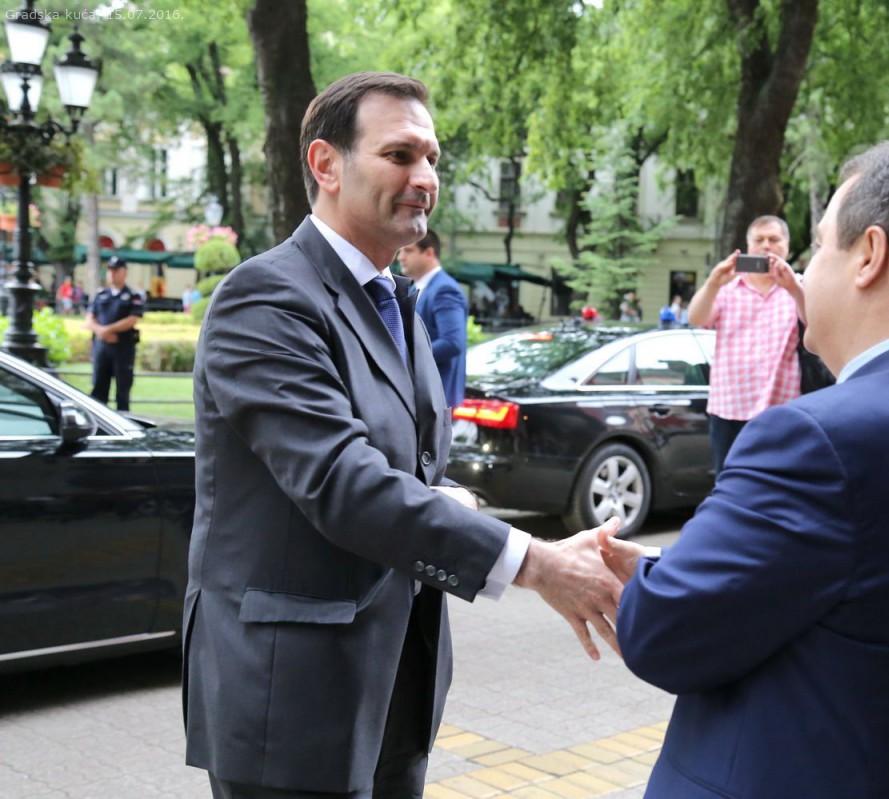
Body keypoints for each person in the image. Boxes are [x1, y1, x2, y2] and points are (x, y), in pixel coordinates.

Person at [182, 72, 623, 798]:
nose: (425, 178)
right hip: (290, 705)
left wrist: (445, 494)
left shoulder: (396, 301)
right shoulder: (265, 298)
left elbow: (396, 463)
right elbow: (340, 481)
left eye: (432, 159)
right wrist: (535, 562)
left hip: (395, 687)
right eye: (400, 155)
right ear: (326, 164)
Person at [600, 136, 889, 797]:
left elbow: (662, 635)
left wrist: (652, 579)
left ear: (869, 256)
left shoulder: (818, 438)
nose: (806, 269)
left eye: (818, 246)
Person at [687, 214, 803, 474]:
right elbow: (696, 318)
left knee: (779, 482)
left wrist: (794, 288)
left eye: (774, 239)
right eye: (759, 240)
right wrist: (712, 283)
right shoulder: (727, 288)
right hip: (729, 407)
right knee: (728, 482)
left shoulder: (797, 287)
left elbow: (816, 323)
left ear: (787, 245)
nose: (766, 246)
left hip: (780, 409)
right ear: (748, 246)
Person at [397, 228, 468, 408]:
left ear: (429, 253)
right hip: (422, 395)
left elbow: (452, 342)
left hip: (437, 397)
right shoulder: (417, 288)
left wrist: (405, 358)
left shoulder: (444, 289)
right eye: (400, 251)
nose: (401, 257)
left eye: (408, 250)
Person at [85, 257, 143, 412]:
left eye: (115, 270)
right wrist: (101, 332)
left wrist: (108, 330)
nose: (112, 273)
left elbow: (132, 319)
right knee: (98, 391)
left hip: (122, 349)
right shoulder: (101, 294)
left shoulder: (133, 296)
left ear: (124, 272)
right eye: (110, 270)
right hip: (102, 348)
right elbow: (89, 319)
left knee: (122, 393)